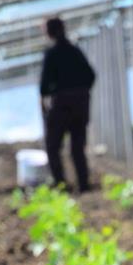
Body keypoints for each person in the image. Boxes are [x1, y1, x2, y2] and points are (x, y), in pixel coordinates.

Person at [40, 17, 96, 193]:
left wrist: (57, 92)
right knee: (77, 146)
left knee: (53, 146)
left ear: (48, 33)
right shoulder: (75, 51)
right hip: (81, 104)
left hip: (62, 105)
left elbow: (44, 86)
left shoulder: (52, 54)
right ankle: (83, 184)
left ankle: (61, 184)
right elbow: (91, 76)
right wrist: (81, 93)